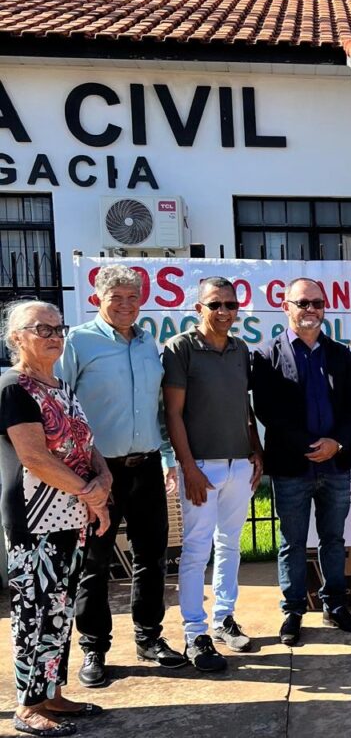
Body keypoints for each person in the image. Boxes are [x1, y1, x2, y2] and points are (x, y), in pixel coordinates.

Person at [56, 264, 186, 689]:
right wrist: (76, 468)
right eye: (117, 298)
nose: (126, 305)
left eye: (133, 297)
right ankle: (94, 647)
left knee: (152, 557)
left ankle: (149, 638)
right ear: (97, 299)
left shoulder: (148, 343)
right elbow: (60, 405)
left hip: (145, 466)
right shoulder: (78, 342)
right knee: (95, 562)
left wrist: (167, 457)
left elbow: (158, 410)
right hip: (97, 471)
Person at [0, 300, 112, 736]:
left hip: (71, 515)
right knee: (34, 611)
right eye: (41, 329)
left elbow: (85, 443)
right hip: (36, 518)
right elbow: (34, 457)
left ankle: (52, 693)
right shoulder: (14, 387)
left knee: (60, 609)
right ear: (17, 338)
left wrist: (103, 478)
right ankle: (28, 706)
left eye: (58, 328)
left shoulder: (61, 385)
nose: (53, 336)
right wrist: (91, 493)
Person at [251, 277, 351, 646]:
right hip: (292, 465)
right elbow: (267, 410)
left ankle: (336, 606)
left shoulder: (339, 353)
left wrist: (337, 442)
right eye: (302, 303)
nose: (310, 310)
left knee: (334, 539)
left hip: (335, 465)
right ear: (285, 307)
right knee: (293, 542)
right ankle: (294, 611)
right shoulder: (266, 354)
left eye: (317, 303)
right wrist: (309, 444)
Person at [162, 277, 264, 671]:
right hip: (201, 467)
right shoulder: (181, 348)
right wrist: (187, 466)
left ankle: (224, 619)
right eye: (215, 304)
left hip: (239, 464)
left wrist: (256, 449)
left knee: (230, 544)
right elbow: (173, 413)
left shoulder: (240, 349)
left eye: (230, 305)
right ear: (199, 308)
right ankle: (194, 633)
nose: (223, 312)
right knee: (195, 551)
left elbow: (244, 406)